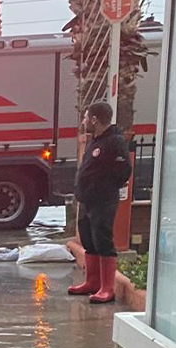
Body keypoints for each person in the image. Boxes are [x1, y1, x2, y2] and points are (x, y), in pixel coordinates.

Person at [70, 100, 132, 304]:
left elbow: (123, 171)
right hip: (87, 200)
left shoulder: (115, 141)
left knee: (102, 239)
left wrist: (104, 187)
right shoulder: (95, 141)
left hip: (103, 200)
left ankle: (107, 288)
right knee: (89, 239)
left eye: (87, 117)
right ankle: (93, 282)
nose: (84, 121)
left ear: (95, 120)